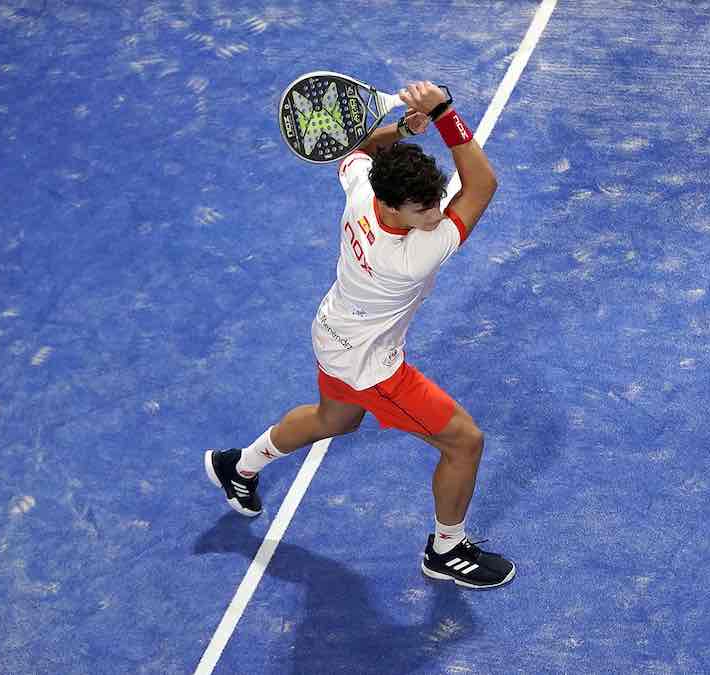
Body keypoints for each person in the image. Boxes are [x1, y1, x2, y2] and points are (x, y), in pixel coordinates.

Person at [205, 81, 514, 589]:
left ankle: (238, 465)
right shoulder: (411, 257)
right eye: (424, 211)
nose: (436, 216)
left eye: (435, 203)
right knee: (464, 443)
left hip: (332, 330)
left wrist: (405, 129)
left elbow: (360, 151)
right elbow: (481, 185)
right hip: (372, 365)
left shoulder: (364, 189)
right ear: (393, 209)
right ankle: (447, 549)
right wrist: (442, 114)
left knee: (336, 419)